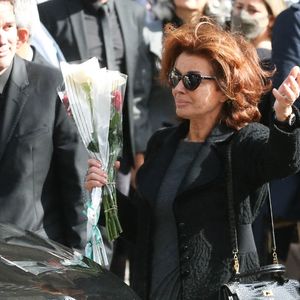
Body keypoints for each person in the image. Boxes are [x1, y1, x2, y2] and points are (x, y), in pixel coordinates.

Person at [85, 17, 300, 299]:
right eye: (176, 77)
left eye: (192, 80)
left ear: (225, 88)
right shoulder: (161, 143)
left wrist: (284, 116)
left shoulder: (243, 142)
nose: (178, 88)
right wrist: (105, 193)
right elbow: (142, 227)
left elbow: (282, 160)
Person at [0, 0, 87, 251]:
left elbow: (75, 181)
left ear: (19, 33)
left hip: (36, 257)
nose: (1, 37)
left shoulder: (51, 84)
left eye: (7, 27)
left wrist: (79, 260)